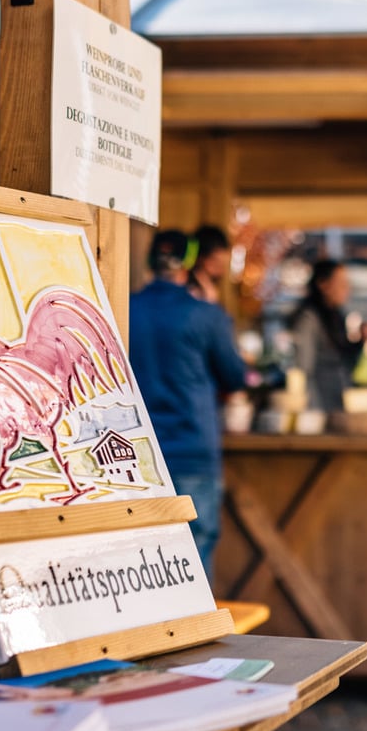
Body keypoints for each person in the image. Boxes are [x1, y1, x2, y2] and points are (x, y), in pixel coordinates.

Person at [130, 230, 252, 576]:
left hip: (136, 455)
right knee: (194, 559)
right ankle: (194, 633)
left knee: (138, 560)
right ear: (189, 263)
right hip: (192, 446)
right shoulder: (205, 316)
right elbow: (235, 376)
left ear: (149, 261)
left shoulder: (123, 307)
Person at [288, 259, 367, 412]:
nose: (347, 289)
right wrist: (312, 413)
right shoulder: (309, 320)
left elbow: (346, 364)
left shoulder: (335, 318)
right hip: (319, 409)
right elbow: (304, 370)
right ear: (323, 284)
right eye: (341, 283)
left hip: (336, 407)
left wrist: (360, 342)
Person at [187, 224, 232, 304]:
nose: (221, 272)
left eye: (223, 265)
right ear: (198, 259)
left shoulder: (209, 292)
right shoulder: (189, 293)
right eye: (216, 265)